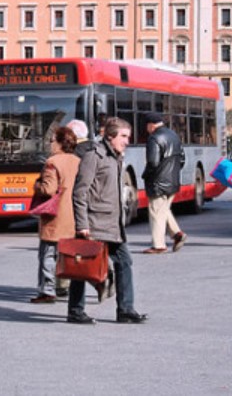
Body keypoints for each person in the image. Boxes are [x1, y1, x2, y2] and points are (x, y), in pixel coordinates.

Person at [68, 117, 147, 325]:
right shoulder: (94, 156)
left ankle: (126, 310)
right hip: (95, 222)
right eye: (123, 136)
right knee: (83, 267)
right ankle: (76, 311)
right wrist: (82, 224)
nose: (127, 141)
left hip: (113, 223)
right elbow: (80, 192)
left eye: (128, 137)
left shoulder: (116, 157)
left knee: (124, 262)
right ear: (110, 136)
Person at [29, 126, 80, 304]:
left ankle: (47, 290)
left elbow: (48, 189)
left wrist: (36, 185)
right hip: (73, 214)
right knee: (69, 255)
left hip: (55, 216)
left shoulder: (52, 163)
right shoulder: (77, 161)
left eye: (52, 140)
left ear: (60, 143)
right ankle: (70, 286)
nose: (50, 144)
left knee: (48, 254)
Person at [141, 112, 187, 254]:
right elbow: (182, 159)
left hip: (157, 182)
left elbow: (153, 162)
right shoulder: (174, 136)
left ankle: (158, 245)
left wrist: (146, 175)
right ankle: (177, 234)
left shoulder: (154, 138)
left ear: (151, 125)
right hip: (173, 181)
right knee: (163, 210)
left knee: (156, 212)